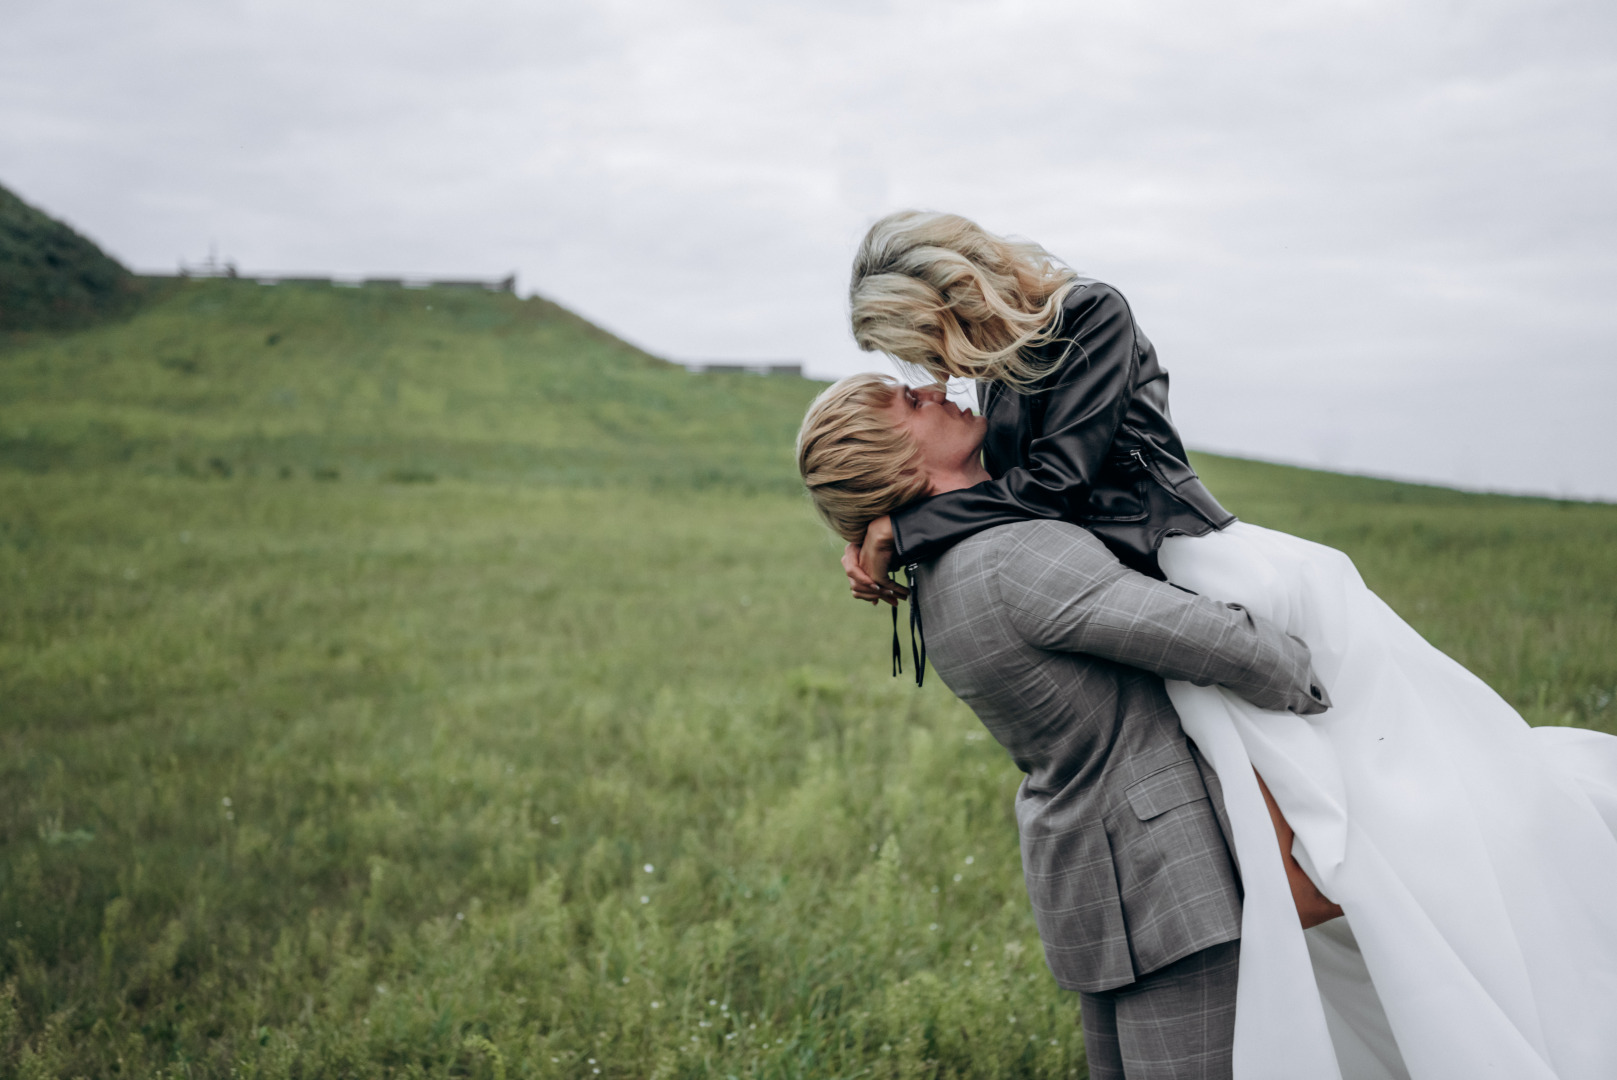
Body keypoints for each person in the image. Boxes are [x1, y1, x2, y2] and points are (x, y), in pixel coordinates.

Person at [809, 212, 1617, 1080]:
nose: (935, 377)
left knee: (1402, 808)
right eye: (913, 375)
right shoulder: (996, 387)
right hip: (1123, 594)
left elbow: (1053, 487)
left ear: (950, 294)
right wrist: (893, 519)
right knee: (1309, 842)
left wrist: (907, 522)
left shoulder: (1087, 317)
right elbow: (1024, 523)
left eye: (921, 350)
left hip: (1195, 564)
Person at [799, 373, 1341, 1079]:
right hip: (1167, 876)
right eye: (909, 402)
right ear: (897, 462)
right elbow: (1205, 639)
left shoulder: (937, 573)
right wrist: (1312, 676)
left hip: (1093, 875)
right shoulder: (1009, 559)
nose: (935, 390)